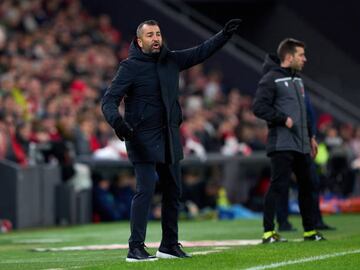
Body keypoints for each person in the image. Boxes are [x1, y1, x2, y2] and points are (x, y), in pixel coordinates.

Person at [101, 19, 242, 261]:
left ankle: (168, 245)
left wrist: (223, 35)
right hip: (141, 138)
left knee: (173, 192)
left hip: (168, 135)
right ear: (139, 41)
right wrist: (120, 125)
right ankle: (135, 247)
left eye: (158, 34)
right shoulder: (130, 66)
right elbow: (108, 101)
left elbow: (201, 52)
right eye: (150, 35)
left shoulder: (171, 60)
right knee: (144, 192)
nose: (155, 38)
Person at [252, 38, 326, 243]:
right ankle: (268, 232)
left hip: (302, 143)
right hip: (281, 143)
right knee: (278, 186)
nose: (305, 59)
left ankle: (310, 231)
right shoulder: (270, 79)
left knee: (308, 185)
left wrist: (310, 136)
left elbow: (303, 113)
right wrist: (282, 118)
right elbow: (258, 107)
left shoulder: (298, 80)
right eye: (301, 55)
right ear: (289, 57)